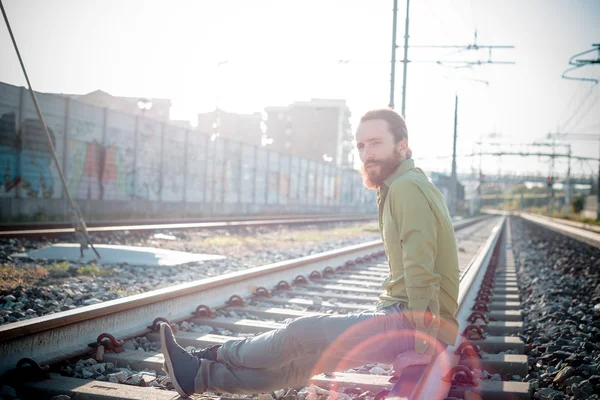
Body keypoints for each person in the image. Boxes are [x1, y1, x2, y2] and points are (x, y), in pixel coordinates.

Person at [160, 108, 460, 397]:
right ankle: (197, 376)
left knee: (300, 332)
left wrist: (423, 347)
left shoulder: (406, 187)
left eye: (376, 143)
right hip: (415, 321)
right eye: (361, 145)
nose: (367, 153)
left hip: (412, 323)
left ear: (402, 146)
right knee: (300, 365)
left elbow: (423, 270)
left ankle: (210, 353)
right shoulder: (409, 185)